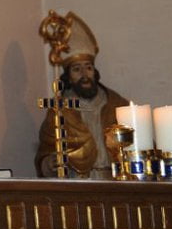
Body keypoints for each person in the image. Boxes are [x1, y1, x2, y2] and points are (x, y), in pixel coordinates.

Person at [35, 12, 129, 178]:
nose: (85, 75)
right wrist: (50, 164)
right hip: (79, 183)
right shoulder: (60, 111)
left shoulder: (117, 105)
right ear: (68, 76)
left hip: (115, 181)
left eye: (88, 67)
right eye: (77, 69)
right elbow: (45, 154)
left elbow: (138, 143)